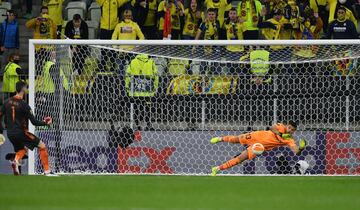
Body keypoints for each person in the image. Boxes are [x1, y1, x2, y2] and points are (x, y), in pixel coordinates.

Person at [0, 81, 56, 176]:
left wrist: (1, 129)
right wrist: (46, 123)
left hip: (10, 133)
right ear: (24, 89)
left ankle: (16, 161)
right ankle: (47, 171)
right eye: (26, 88)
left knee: (22, 150)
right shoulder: (24, 105)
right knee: (42, 146)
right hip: (21, 133)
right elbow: (34, 122)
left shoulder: (6, 102)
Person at [210, 121, 307, 176]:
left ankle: (217, 169)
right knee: (236, 139)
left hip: (259, 147)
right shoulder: (280, 126)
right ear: (287, 126)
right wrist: (282, 135)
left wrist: (301, 148)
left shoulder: (290, 139)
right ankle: (220, 138)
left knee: (240, 158)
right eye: (290, 128)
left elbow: (296, 151)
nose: (290, 131)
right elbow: (272, 128)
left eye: (293, 130)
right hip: (256, 136)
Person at [125, 54, 158, 130]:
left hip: (135, 91)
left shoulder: (133, 62)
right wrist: (155, 87)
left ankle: (137, 125)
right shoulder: (151, 62)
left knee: (136, 108)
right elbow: (156, 75)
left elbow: (127, 74)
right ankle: (148, 125)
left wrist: (127, 87)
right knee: (147, 108)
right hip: (147, 91)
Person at [97, 0, 131, 71]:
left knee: (114, 49)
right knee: (103, 49)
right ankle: (103, 66)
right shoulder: (102, 1)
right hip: (104, 28)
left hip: (114, 29)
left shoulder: (117, 1)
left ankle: (113, 67)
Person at [26, 6, 57, 74]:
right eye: (43, 13)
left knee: (49, 66)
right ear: (40, 13)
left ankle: (48, 81)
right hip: (39, 47)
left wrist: (54, 46)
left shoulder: (51, 21)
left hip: (49, 48)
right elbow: (27, 25)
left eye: (46, 13)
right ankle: (38, 80)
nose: (45, 14)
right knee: (38, 66)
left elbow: (55, 34)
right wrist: (36, 19)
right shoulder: (37, 21)